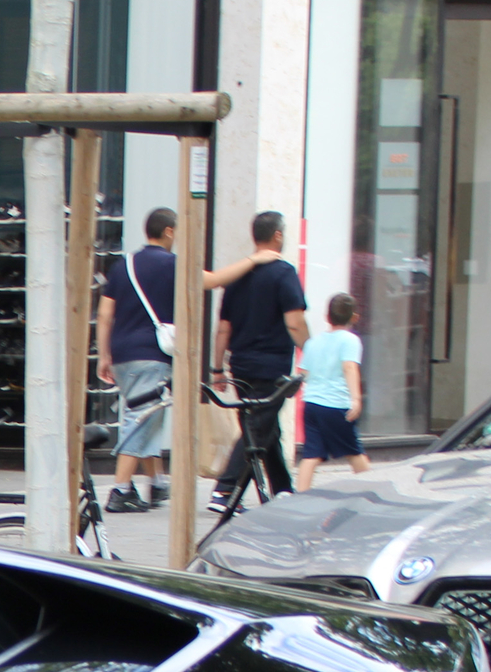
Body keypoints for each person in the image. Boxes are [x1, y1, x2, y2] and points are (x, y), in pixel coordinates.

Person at [94, 209, 288, 514]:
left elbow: (105, 314)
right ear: (169, 232)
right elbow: (210, 281)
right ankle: (120, 489)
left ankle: (156, 482)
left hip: (122, 353)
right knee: (141, 418)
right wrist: (253, 260)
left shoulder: (123, 265)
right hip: (152, 353)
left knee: (147, 414)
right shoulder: (173, 264)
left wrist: (104, 355)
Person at [209, 210, 310, 509]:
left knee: (267, 429)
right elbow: (294, 322)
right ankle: (224, 491)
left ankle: (283, 490)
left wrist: (217, 367)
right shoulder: (284, 272)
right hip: (271, 365)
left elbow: (223, 328)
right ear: (278, 235)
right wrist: (312, 352)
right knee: (257, 428)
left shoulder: (236, 276)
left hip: (240, 364)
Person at [294, 293, 368, 492]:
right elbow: (349, 367)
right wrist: (356, 399)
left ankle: (300, 494)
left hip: (311, 404)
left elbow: (303, 373)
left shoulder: (312, 343)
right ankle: (372, 489)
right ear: (355, 317)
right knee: (354, 451)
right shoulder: (350, 340)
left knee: (311, 455)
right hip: (336, 404)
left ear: (327, 317)